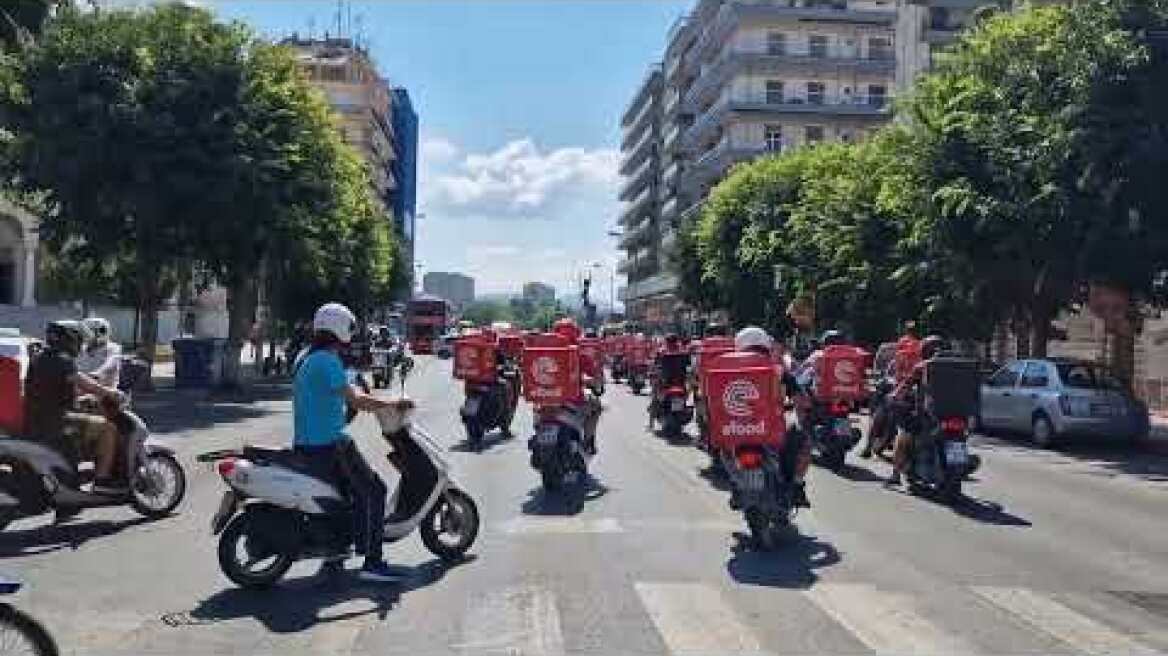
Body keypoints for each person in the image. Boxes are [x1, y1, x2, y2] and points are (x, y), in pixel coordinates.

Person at [294, 302, 400, 582]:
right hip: (330, 445)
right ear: (338, 328)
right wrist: (391, 404)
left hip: (307, 443)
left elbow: (340, 393)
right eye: (350, 328)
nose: (352, 333)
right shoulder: (327, 361)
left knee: (346, 497)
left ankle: (335, 551)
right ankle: (373, 563)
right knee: (375, 491)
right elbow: (356, 400)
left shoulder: (307, 357)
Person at [23, 320, 126, 495]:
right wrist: (111, 393)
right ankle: (102, 481)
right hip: (58, 422)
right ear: (69, 338)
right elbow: (86, 384)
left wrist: (83, 400)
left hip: (38, 420)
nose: (80, 343)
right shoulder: (63, 360)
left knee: (89, 421)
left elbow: (53, 392)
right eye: (78, 339)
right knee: (108, 428)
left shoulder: (40, 358)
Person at [734, 327, 811, 508]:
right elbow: (802, 399)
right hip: (772, 429)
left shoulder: (730, 369)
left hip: (736, 429)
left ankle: (737, 485)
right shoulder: (778, 370)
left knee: (725, 451)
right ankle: (797, 485)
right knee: (804, 443)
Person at [885, 334, 946, 487]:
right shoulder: (959, 366)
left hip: (927, 416)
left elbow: (905, 386)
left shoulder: (922, 366)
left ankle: (895, 475)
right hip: (953, 416)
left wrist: (894, 396)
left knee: (902, 433)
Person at [552, 318, 602, 454]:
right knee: (597, 407)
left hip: (547, 401)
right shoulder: (580, 353)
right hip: (572, 400)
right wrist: (589, 381)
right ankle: (587, 442)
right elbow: (592, 377)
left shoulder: (545, 350)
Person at [649, 333, 689, 424]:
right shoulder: (683, 351)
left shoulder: (661, 351)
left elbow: (655, 365)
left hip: (666, 383)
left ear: (666, 341)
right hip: (680, 382)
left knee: (654, 396)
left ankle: (651, 423)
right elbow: (688, 365)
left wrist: (653, 373)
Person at [77, 317, 122, 389]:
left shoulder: (113, 347)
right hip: (84, 386)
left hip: (104, 389)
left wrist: (98, 372)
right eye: (91, 330)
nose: (97, 334)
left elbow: (111, 361)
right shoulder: (82, 348)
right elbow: (75, 364)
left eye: (101, 331)